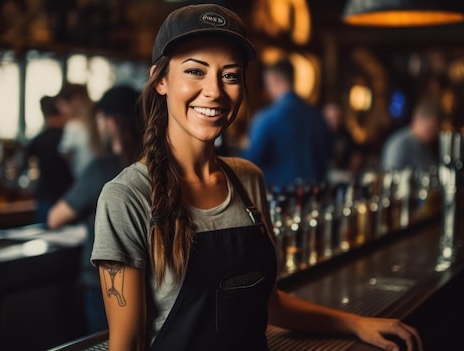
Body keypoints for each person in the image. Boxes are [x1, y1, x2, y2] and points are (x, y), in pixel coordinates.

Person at [91, 4, 423, 351]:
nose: (215, 91)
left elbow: (267, 302)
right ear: (160, 80)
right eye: (195, 71)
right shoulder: (126, 197)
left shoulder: (247, 180)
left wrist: (355, 323)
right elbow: (126, 344)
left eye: (230, 75)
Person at [47, 85, 143, 334]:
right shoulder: (155, 168)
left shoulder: (101, 169)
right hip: (149, 281)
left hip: (103, 285)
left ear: (111, 123)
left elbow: (55, 218)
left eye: (100, 120)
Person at [240, 57, 331, 187]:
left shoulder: (267, 118)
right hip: (313, 195)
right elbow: (326, 156)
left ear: (273, 79)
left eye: (267, 84)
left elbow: (248, 163)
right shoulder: (316, 115)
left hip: (279, 197)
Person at [25, 95, 74, 224]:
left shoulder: (39, 140)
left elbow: (23, 166)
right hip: (69, 197)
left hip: (46, 197)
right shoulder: (69, 137)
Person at [380, 98, 443, 170]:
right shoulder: (399, 145)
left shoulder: (428, 147)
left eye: (436, 129)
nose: (434, 133)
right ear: (417, 119)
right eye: (431, 128)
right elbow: (390, 176)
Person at [56, 83, 102, 179]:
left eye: (63, 106)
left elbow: (65, 155)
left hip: (84, 180)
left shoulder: (73, 127)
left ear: (76, 101)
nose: (62, 112)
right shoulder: (100, 121)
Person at [322, 101, 364, 177]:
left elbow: (356, 155)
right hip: (323, 175)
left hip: (344, 175)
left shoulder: (346, 135)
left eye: (337, 118)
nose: (335, 122)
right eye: (330, 119)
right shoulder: (320, 135)